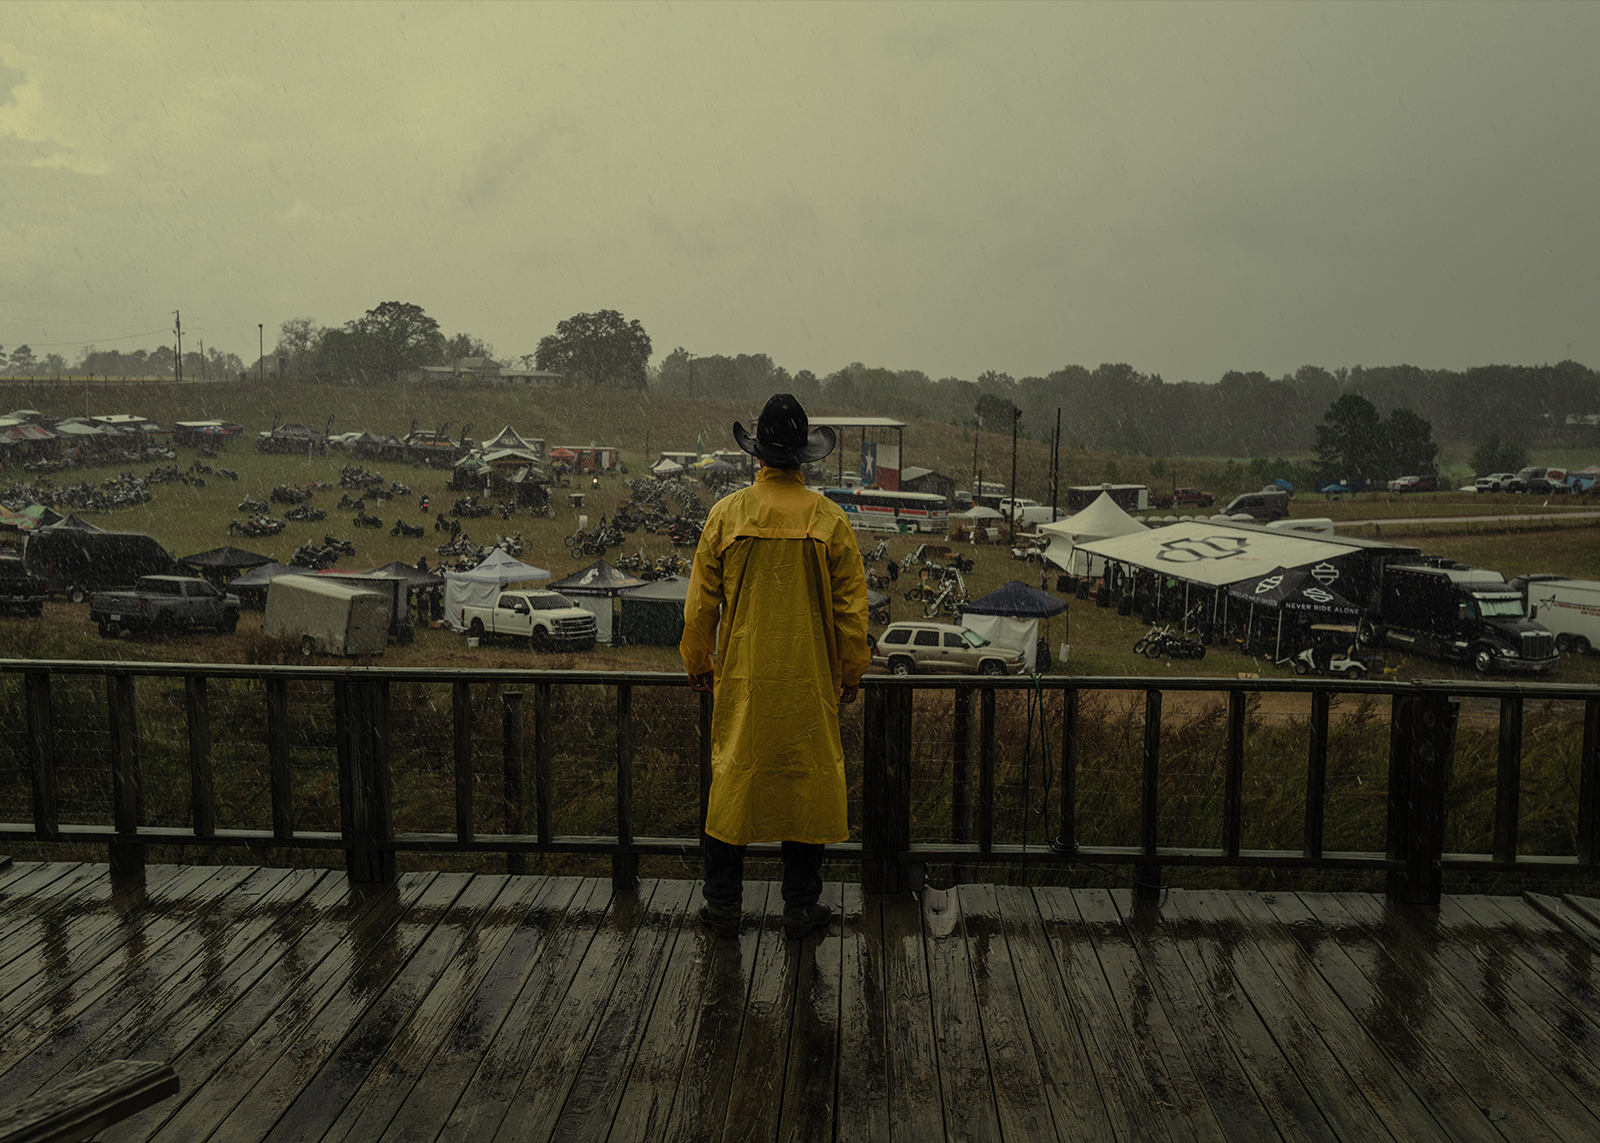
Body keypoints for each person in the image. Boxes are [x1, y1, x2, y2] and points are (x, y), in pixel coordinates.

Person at [681, 393, 870, 942]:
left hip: (742, 681)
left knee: (733, 781)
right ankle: (800, 906)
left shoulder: (727, 515)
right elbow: (852, 613)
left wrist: (699, 662)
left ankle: (722, 906)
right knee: (805, 786)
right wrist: (851, 672)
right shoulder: (830, 520)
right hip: (809, 682)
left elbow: (700, 607)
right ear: (805, 459)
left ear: (756, 456)